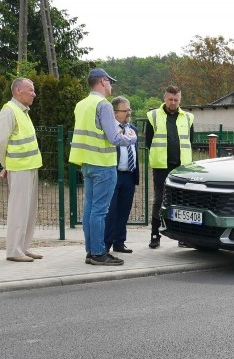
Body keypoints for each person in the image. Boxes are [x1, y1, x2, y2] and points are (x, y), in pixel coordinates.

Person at [69, 68, 136, 266]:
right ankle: (99, 252)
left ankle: (91, 251)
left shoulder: (81, 104)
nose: (111, 85)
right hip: (103, 164)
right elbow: (114, 137)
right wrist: (130, 139)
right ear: (103, 81)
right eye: (110, 82)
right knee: (99, 211)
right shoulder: (104, 105)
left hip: (86, 162)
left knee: (90, 209)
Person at [0, 77, 43, 263]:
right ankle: (14, 250)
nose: (34, 94)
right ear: (17, 91)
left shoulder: (23, 112)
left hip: (30, 166)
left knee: (30, 211)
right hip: (19, 167)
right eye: (30, 90)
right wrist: (5, 165)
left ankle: (23, 247)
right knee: (19, 210)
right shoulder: (9, 112)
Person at [145, 86, 194, 249]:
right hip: (161, 166)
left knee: (183, 201)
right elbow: (148, 142)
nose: (173, 103)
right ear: (164, 98)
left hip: (182, 167)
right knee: (159, 200)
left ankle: (183, 236)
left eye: (176, 100)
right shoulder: (153, 116)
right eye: (170, 99)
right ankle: (154, 234)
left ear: (180, 100)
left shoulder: (188, 117)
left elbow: (190, 141)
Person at [104, 96, 139, 254]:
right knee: (111, 211)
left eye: (129, 110)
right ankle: (106, 244)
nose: (128, 113)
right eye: (125, 111)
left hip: (129, 175)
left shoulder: (133, 130)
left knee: (124, 210)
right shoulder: (110, 129)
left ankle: (120, 242)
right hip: (114, 174)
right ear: (115, 113)